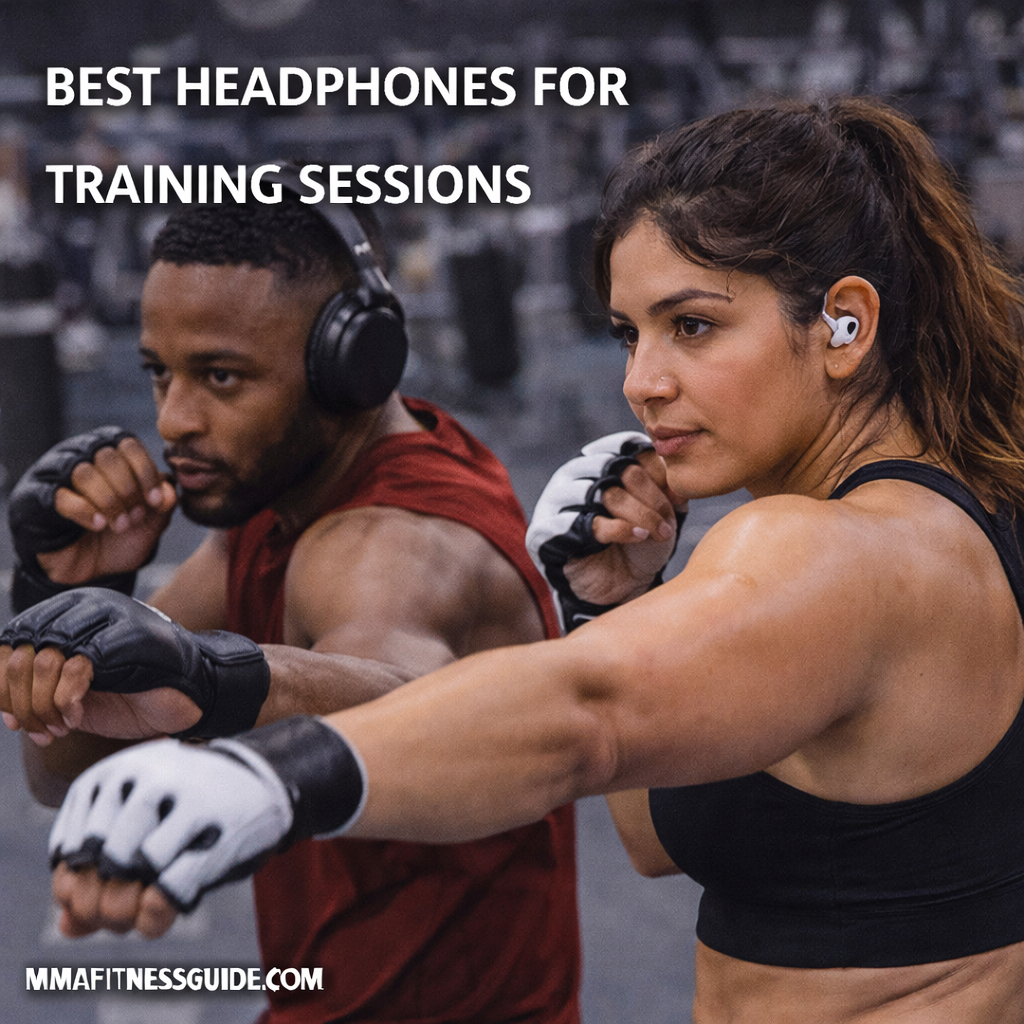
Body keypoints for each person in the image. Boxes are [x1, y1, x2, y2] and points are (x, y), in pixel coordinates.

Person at [15, 95, 1024, 1021]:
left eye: (693, 327)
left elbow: (585, 715)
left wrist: (268, 771)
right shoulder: (946, 518)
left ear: (844, 326)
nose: (643, 381)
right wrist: (610, 608)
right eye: (628, 334)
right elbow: (655, 841)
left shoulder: (840, 548)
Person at [0, 174, 582, 1024]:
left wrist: (214, 675)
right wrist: (74, 595)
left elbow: (418, 701)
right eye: (160, 374)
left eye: (221, 377)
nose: (175, 420)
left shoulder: (389, 544)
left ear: (350, 366)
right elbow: (67, 772)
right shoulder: (277, 499)